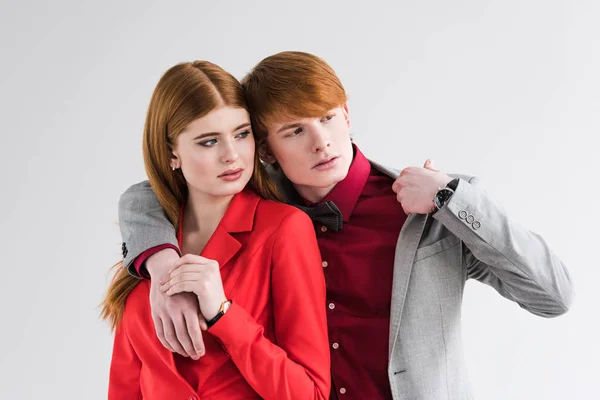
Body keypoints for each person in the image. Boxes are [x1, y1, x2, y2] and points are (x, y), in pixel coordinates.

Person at [117, 52, 574, 399]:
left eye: (328, 118)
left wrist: (452, 197)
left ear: (348, 116)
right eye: (295, 130)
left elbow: (552, 296)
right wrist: (161, 263)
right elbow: (150, 192)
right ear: (266, 149)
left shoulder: (427, 212)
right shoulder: (258, 206)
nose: (322, 143)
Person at [101, 60, 330, 400]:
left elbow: (310, 394)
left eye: (241, 134)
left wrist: (222, 312)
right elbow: (125, 386)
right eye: (209, 142)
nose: (232, 155)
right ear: (171, 153)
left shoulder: (283, 230)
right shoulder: (148, 244)